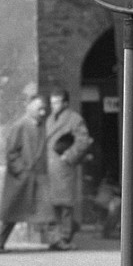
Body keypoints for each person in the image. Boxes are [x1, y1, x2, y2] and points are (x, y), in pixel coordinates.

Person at [0, 95, 51, 250]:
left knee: (46, 210)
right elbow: (11, 152)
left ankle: (55, 240)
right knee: (12, 213)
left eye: (43, 109)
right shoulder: (20, 126)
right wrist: (21, 170)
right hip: (20, 178)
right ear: (29, 107)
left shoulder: (41, 126)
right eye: (39, 108)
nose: (42, 112)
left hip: (37, 176)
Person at [45, 88, 92, 250]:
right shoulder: (49, 119)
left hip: (63, 168)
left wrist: (69, 156)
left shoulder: (74, 119)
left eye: (57, 102)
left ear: (65, 103)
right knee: (51, 205)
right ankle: (54, 238)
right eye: (52, 103)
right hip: (50, 168)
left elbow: (83, 140)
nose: (53, 106)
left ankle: (65, 237)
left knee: (65, 205)